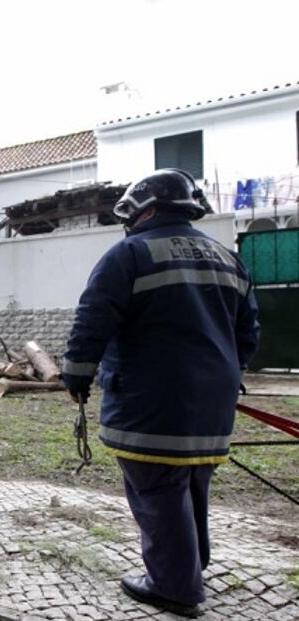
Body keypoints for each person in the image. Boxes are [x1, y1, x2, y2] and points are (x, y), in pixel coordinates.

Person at [61, 169, 260, 618]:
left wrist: (75, 377)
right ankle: (190, 567)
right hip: (212, 403)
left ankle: (175, 588)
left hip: (150, 403)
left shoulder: (129, 254)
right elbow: (248, 332)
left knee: (158, 492)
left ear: (146, 209)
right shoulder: (228, 258)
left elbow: (93, 319)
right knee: (191, 486)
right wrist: (228, 374)